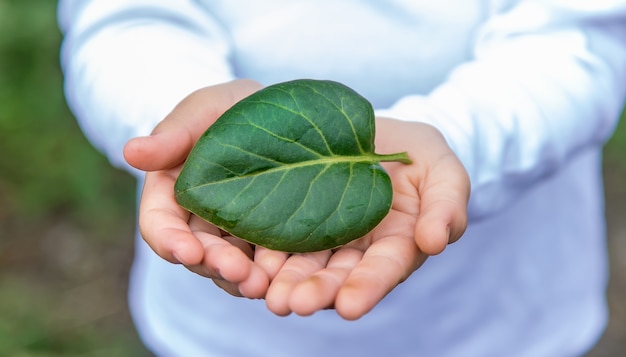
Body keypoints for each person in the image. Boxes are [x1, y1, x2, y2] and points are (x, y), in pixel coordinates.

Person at [58, 1, 626, 356]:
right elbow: (123, 17)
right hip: (225, 327)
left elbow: (583, 38)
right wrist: (176, 113)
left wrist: (453, 137)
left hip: (502, 315)